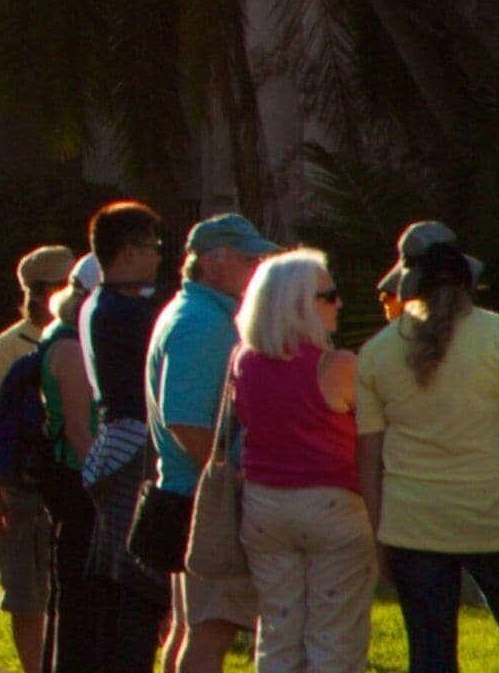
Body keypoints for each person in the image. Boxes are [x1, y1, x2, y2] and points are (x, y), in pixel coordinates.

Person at [356, 225, 499, 673]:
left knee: (431, 654)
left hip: (413, 525)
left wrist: (380, 535)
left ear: (408, 282)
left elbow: (369, 457)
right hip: (495, 518)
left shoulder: (377, 353)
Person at [226, 248, 367, 673]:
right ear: (299, 304)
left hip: (265, 504)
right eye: (328, 295)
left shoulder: (244, 361)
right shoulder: (338, 365)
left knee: (277, 634)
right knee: (334, 638)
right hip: (333, 502)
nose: (338, 303)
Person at [148, 214, 278, 671]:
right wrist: (226, 483)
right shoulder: (202, 322)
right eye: (249, 259)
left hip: (189, 493)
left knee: (192, 626)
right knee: (212, 626)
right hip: (204, 499)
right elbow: (183, 420)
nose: (257, 268)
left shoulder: (194, 312)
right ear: (211, 263)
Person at [51, 202, 169, 673]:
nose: (160, 258)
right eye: (154, 248)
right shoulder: (120, 310)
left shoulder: (105, 302)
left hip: (117, 451)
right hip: (132, 454)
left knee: (125, 593)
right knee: (137, 590)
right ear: (128, 252)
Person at [0, 245, 79, 673]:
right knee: (26, 592)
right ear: (39, 293)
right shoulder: (8, 347)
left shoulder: (79, 337)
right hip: (21, 485)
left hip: (66, 481)